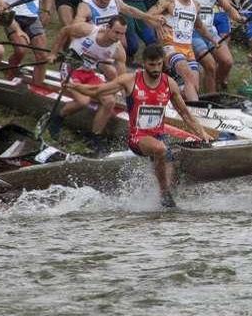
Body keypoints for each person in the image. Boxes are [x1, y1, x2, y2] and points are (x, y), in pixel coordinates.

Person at [68, 44, 211, 208]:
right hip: (138, 138)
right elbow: (98, 91)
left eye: (159, 64)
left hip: (159, 136)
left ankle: (162, 204)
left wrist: (202, 134)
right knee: (161, 150)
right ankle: (165, 195)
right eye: (152, 65)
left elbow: (185, 114)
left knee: (171, 161)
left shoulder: (169, 83)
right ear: (144, 63)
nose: (156, 69)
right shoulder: (129, 80)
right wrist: (76, 86)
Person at [46, 17, 128, 150]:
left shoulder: (118, 50)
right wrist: (53, 53)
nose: (119, 37)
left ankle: (94, 137)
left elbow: (123, 78)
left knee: (109, 101)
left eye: (122, 33)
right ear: (107, 28)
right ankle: (57, 118)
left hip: (89, 74)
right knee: (83, 101)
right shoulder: (88, 30)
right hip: (70, 69)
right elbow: (65, 31)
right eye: (116, 32)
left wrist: (128, 96)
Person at [147, 0, 218, 102]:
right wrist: (157, 23)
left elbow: (199, 26)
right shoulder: (169, 0)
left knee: (194, 85)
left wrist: (213, 40)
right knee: (188, 75)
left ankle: (174, 98)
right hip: (170, 45)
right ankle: (194, 111)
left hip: (187, 48)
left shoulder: (195, 5)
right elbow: (148, 16)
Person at [192, 0, 243, 94]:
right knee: (210, 66)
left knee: (227, 62)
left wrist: (238, 17)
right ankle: (211, 96)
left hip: (210, 31)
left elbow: (226, 5)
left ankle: (213, 87)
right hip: (193, 33)